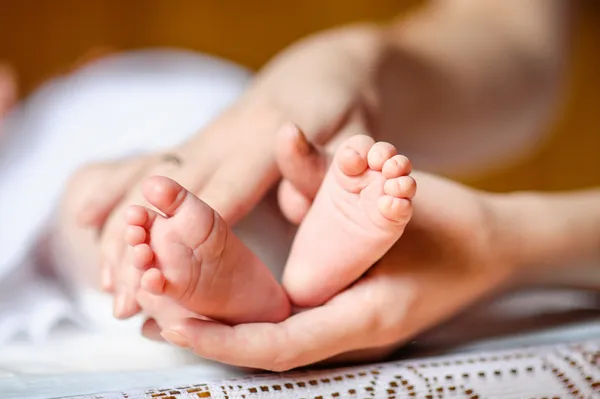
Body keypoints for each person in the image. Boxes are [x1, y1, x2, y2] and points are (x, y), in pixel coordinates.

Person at [4, 0, 588, 374]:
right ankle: (291, 255)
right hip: (249, 128)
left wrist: (349, 63)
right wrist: (353, 60)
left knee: (124, 208)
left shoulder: (70, 99)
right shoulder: (39, 147)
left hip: (252, 119)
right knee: (97, 203)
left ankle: (268, 265)